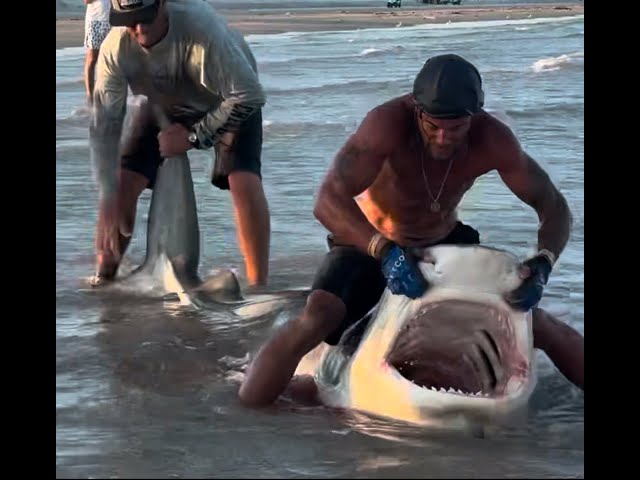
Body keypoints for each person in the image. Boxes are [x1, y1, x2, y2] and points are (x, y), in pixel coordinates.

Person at [238, 53, 584, 407]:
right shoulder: (386, 124)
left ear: (475, 115)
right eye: (433, 126)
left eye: (456, 129)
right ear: (416, 109)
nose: (442, 138)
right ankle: (243, 412)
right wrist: (384, 251)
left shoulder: (494, 140)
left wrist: (543, 263)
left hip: (443, 245)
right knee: (320, 315)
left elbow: (555, 208)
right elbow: (327, 200)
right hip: (368, 243)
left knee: (527, 319)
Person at [89, 0, 271, 287]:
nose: (139, 27)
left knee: (243, 181)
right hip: (164, 102)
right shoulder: (116, 48)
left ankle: (259, 287)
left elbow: (250, 96)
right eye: (130, 19)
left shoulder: (202, 30)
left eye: (146, 17)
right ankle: (105, 279)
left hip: (227, 98)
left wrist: (192, 137)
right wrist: (106, 197)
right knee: (120, 187)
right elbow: (104, 127)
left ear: (163, 4)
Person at [83, 0, 112, 103]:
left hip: (113, 20)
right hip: (95, 20)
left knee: (110, 59)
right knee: (92, 59)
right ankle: (90, 97)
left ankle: (106, 95)